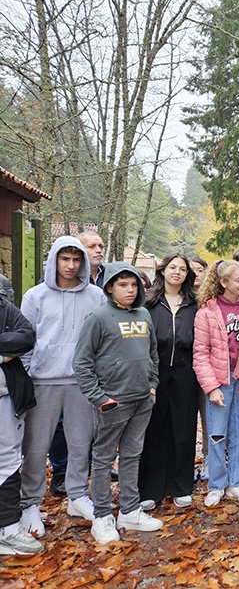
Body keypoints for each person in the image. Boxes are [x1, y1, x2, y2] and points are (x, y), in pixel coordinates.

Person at [18, 237, 105, 537]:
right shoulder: (35, 296)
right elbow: (25, 339)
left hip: (82, 381)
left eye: (76, 259)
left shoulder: (96, 296)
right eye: (64, 259)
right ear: (53, 259)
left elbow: (102, 339)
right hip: (42, 381)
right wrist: (26, 377)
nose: (70, 265)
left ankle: (78, 495)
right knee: (36, 446)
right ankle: (30, 503)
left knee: (81, 443)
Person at [73, 262, 162, 545]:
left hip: (141, 399)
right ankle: (101, 516)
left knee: (132, 455)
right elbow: (82, 363)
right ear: (110, 287)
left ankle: (130, 510)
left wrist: (152, 386)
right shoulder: (98, 317)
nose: (129, 290)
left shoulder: (144, 314)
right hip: (113, 402)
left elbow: (153, 353)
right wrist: (100, 398)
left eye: (134, 285)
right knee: (102, 459)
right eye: (123, 285)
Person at [193, 260, 239, 507]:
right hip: (219, 383)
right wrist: (211, 387)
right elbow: (200, 353)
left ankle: (238, 483)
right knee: (217, 435)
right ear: (223, 283)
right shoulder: (207, 312)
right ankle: (217, 485)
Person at [138, 254, 199, 510]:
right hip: (155, 371)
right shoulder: (148, 302)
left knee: (183, 429)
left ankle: (180, 485)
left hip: (186, 372)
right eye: (173, 267)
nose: (177, 272)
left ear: (187, 275)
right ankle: (150, 489)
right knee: (154, 428)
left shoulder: (194, 304)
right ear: (162, 270)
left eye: (182, 269)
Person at [0, 276, 41, 555]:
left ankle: (9, 529)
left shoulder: (4, 307)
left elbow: (26, 335)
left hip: (6, 397)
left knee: (8, 460)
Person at [188, 255, 209, 479]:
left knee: (209, 418)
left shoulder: (211, 300)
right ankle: (186, 462)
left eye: (199, 270)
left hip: (207, 367)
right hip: (183, 366)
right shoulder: (179, 299)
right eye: (190, 270)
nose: (195, 274)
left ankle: (209, 460)